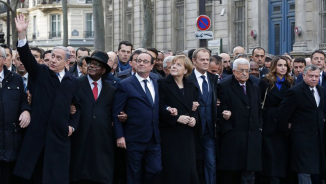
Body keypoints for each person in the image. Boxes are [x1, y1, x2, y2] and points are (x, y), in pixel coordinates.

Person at [13, 14, 81, 183]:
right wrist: (22, 34)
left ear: (67, 62)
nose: (53, 60)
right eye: (52, 57)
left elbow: (78, 107)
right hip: (37, 136)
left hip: (59, 139)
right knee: (34, 176)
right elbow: (27, 58)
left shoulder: (73, 81)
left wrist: (72, 126)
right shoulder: (41, 72)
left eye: (58, 58)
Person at [113, 52, 161, 184]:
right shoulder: (125, 84)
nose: (141, 63)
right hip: (134, 137)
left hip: (154, 137)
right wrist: (119, 136)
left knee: (155, 169)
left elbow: (160, 104)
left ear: (152, 66)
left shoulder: (157, 82)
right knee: (134, 173)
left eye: (145, 61)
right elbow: (116, 112)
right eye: (139, 61)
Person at [70, 51, 116, 184]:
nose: (91, 66)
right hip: (80, 139)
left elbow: (113, 112)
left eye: (96, 64)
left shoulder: (111, 90)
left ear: (103, 70)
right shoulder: (76, 84)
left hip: (102, 141)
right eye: (90, 63)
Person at [278, 64, 326, 184]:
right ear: (304, 75)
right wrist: (287, 131)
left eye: (316, 76)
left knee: (316, 169)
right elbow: (283, 115)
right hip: (301, 139)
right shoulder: (295, 91)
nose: (314, 79)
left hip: (318, 138)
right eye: (311, 76)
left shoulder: (321, 90)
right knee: (303, 169)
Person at [217, 58, 262, 184]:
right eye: (241, 70)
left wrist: (258, 127)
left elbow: (258, 110)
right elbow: (220, 109)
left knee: (249, 175)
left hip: (252, 137)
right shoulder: (223, 86)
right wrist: (227, 127)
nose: (244, 73)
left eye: (247, 70)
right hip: (233, 138)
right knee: (232, 175)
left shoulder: (254, 87)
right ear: (234, 71)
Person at [158, 55, 199, 184]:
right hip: (170, 133)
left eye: (178, 65)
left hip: (187, 134)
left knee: (188, 168)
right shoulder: (162, 83)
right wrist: (176, 118)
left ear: (186, 70)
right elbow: (158, 107)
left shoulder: (191, 85)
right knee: (173, 170)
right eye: (173, 64)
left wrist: (194, 119)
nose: (174, 66)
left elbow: (195, 107)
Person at [259, 56, 293, 184]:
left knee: (283, 153)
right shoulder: (266, 82)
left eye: (285, 65)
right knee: (270, 153)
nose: (283, 68)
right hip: (269, 122)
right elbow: (260, 101)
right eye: (280, 65)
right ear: (274, 67)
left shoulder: (290, 82)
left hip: (284, 122)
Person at [0, 46, 31, 184]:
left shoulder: (15, 79)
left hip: (10, 141)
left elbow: (23, 100)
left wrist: (26, 111)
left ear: (4, 59)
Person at [188, 48, 218, 184]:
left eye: (207, 59)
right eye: (202, 60)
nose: (206, 62)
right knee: (194, 164)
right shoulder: (187, 79)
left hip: (210, 130)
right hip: (193, 130)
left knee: (210, 163)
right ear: (194, 61)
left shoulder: (214, 79)